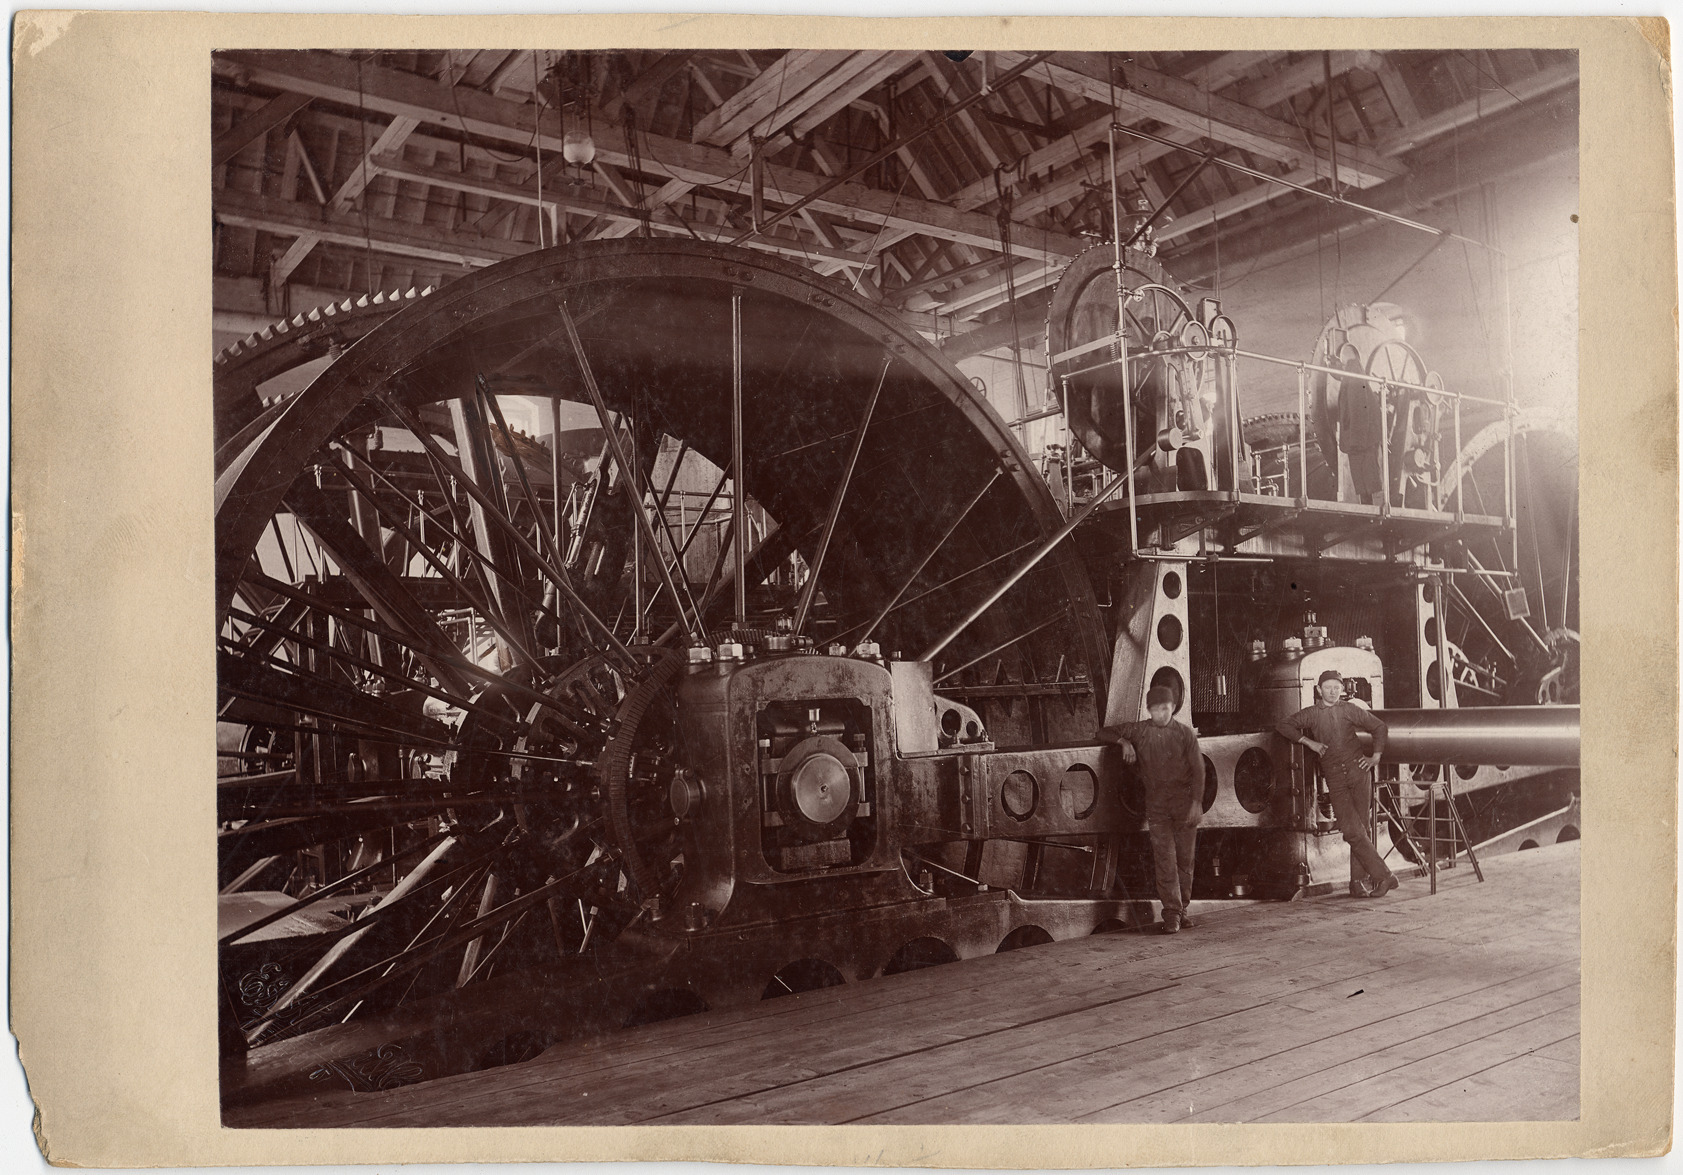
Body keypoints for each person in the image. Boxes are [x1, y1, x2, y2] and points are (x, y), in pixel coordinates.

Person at [1276, 669, 1399, 898]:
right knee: (1352, 831)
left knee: (1362, 829)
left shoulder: (1349, 709)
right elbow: (1284, 725)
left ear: (1342, 689)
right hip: (1335, 778)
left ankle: (1356, 883)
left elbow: (1379, 727)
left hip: (1359, 773)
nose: (1332, 692)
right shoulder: (1312, 714)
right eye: (1328, 687)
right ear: (1319, 689)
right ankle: (1384, 876)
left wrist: (1375, 756)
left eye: (1336, 687)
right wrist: (1309, 742)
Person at [1096, 686, 1204, 934]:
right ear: (1149, 710)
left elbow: (1199, 770)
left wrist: (1196, 803)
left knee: (1185, 860)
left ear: (1173, 708)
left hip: (1184, 805)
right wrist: (1123, 742)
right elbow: (1102, 732)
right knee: (1165, 859)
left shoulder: (1185, 734)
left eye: (1164, 708)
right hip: (1157, 807)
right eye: (1155, 709)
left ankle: (1182, 911)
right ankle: (1172, 914)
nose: (1160, 714)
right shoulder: (1140, 730)